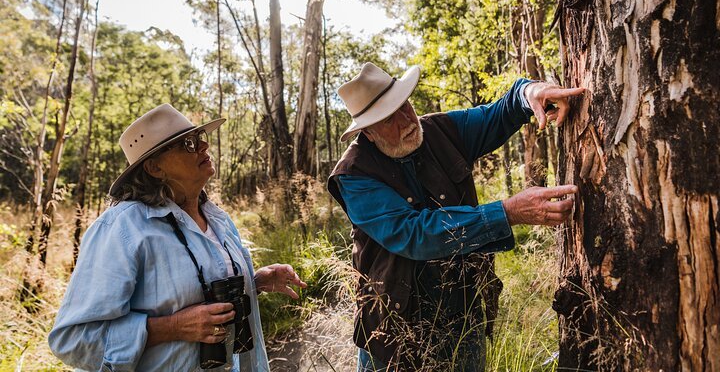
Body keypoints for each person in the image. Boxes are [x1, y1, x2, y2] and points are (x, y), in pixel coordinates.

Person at [327, 63, 585, 371]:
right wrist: (508, 212)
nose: (406, 119)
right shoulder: (353, 174)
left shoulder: (440, 131)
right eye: (388, 118)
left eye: (403, 105)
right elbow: (415, 234)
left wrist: (529, 92)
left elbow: (499, 113)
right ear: (367, 132)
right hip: (395, 332)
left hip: (465, 316)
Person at [49, 104, 307, 372]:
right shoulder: (123, 229)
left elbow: (202, 294)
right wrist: (171, 328)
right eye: (188, 144)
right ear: (154, 168)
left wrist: (255, 283)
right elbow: (72, 341)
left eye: (200, 139)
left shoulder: (218, 218)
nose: (204, 147)